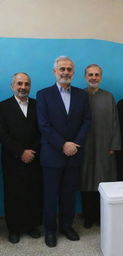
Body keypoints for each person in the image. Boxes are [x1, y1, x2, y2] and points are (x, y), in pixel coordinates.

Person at [36, 56, 91, 247]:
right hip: (52, 155)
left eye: (69, 69)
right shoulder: (43, 95)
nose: (65, 72)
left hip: (74, 154)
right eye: (62, 69)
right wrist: (63, 144)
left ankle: (67, 227)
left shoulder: (81, 95)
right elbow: (44, 125)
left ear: (73, 73)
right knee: (50, 195)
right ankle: (50, 231)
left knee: (69, 194)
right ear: (54, 71)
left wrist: (74, 143)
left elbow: (86, 122)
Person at [0, 72, 42, 243]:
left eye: (26, 84)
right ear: (12, 86)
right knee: (13, 194)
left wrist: (31, 151)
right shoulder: (2, 107)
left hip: (34, 157)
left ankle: (31, 226)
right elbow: (2, 134)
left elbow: (42, 131)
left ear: (30, 86)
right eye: (19, 83)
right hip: (12, 159)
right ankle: (14, 229)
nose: (23, 87)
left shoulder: (38, 105)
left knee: (33, 192)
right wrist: (20, 152)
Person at [80, 64, 120, 228]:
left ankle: (101, 216)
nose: (93, 78)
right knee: (86, 181)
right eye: (90, 75)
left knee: (103, 182)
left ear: (101, 77)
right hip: (84, 146)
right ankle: (88, 217)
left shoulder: (108, 97)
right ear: (85, 77)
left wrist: (114, 144)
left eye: (97, 75)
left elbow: (115, 122)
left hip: (105, 147)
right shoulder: (79, 96)